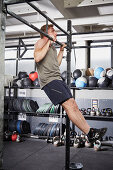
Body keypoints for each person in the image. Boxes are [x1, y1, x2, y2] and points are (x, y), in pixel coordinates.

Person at [34, 24, 107, 143]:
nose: (56, 33)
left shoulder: (52, 47)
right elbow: (37, 58)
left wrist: (61, 50)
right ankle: (90, 133)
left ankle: (90, 132)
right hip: (49, 81)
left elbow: (55, 65)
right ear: (46, 33)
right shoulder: (41, 42)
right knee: (69, 105)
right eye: (53, 31)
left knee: (73, 105)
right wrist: (48, 41)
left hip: (56, 78)